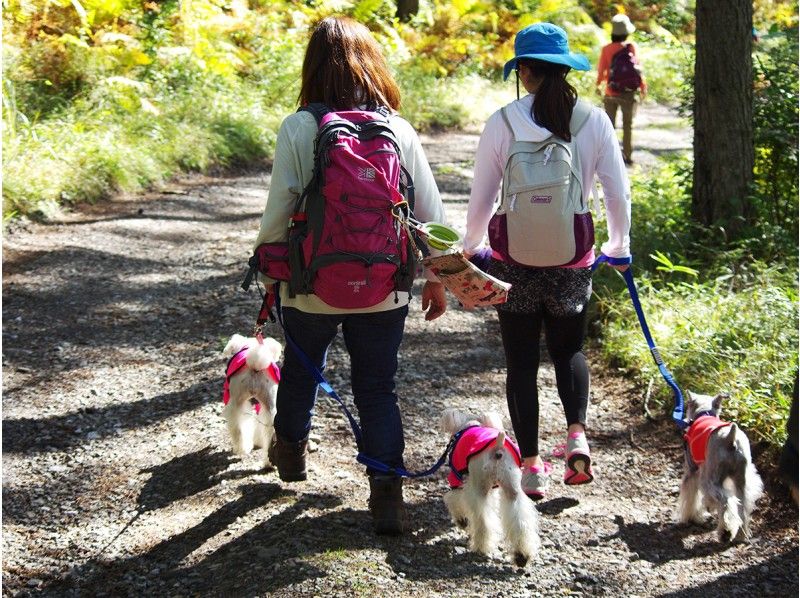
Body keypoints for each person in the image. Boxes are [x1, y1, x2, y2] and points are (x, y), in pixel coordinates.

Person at [253, 16, 448, 535]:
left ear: (313, 67)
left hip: (311, 283)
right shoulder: (397, 129)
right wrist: (435, 277)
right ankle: (386, 492)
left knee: (301, 368)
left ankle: (290, 452)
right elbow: (430, 214)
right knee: (377, 387)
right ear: (373, 64)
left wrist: (269, 265)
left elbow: (279, 211)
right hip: (384, 288)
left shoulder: (300, 127)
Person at [463, 22, 631, 500]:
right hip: (572, 257)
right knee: (568, 350)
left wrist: (474, 245)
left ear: (525, 72)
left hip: (513, 257)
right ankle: (576, 435)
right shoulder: (594, 120)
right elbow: (617, 192)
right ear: (566, 68)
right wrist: (618, 247)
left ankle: (533, 467)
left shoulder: (504, 120)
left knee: (520, 362)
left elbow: (482, 196)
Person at [596, 14, 647, 165]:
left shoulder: (606, 49)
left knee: (609, 126)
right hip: (628, 93)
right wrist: (643, 86)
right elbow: (637, 69)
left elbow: (602, 70)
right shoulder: (631, 47)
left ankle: (609, 158)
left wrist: (598, 85)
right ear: (626, 32)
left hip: (611, 92)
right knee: (627, 125)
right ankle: (628, 155)